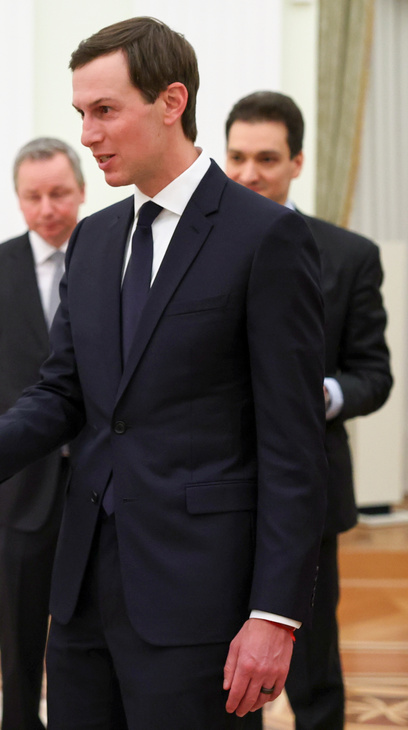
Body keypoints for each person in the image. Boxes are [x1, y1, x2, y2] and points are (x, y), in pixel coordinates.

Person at [0, 17, 327, 729]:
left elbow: (294, 446)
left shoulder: (265, 236)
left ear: (172, 101)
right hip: (85, 592)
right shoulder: (93, 239)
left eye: (104, 111)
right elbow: (63, 391)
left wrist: (275, 614)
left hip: (201, 600)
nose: (87, 134)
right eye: (80, 115)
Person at [225, 91, 393, 730]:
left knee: (313, 659)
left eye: (266, 158)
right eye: (237, 156)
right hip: (215, 486)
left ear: (297, 161)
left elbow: (374, 376)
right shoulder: (196, 247)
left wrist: (320, 395)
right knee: (226, 666)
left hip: (311, 490)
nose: (249, 173)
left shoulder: (349, 256)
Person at [0, 136, 85, 730]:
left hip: (96, 482)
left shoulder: (110, 255)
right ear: (18, 200)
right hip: (20, 490)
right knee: (19, 639)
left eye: (59, 193)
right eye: (33, 196)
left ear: (81, 191)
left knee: (88, 642)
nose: (47, 208)